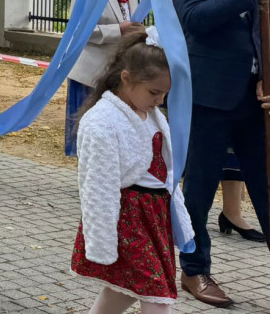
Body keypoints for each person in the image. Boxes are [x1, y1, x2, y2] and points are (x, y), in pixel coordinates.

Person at [168, 0, 270, 308]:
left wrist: (263, 71)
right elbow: (193, 19)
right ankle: (194, 270)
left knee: (264, 182)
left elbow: (256, 28)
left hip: (252, 96)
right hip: (208, 97)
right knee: (200, 188)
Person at [71, 31, 192, 314]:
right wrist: (101, 239)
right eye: (153, 92)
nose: (160, 100)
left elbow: (167, 170)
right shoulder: (101, 122)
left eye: (164, 93)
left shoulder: (151, 115)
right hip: (128, 219)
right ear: (126, 78)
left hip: (153, 215)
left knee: (122, 290)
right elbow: (97, 187)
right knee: (156, 293)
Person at [66, 0, 142, 157]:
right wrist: (118, 30)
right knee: (92, 132)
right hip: (90, 76)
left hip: (119, 72)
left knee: (115, 132)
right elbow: (78, 30)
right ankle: (91, 180)